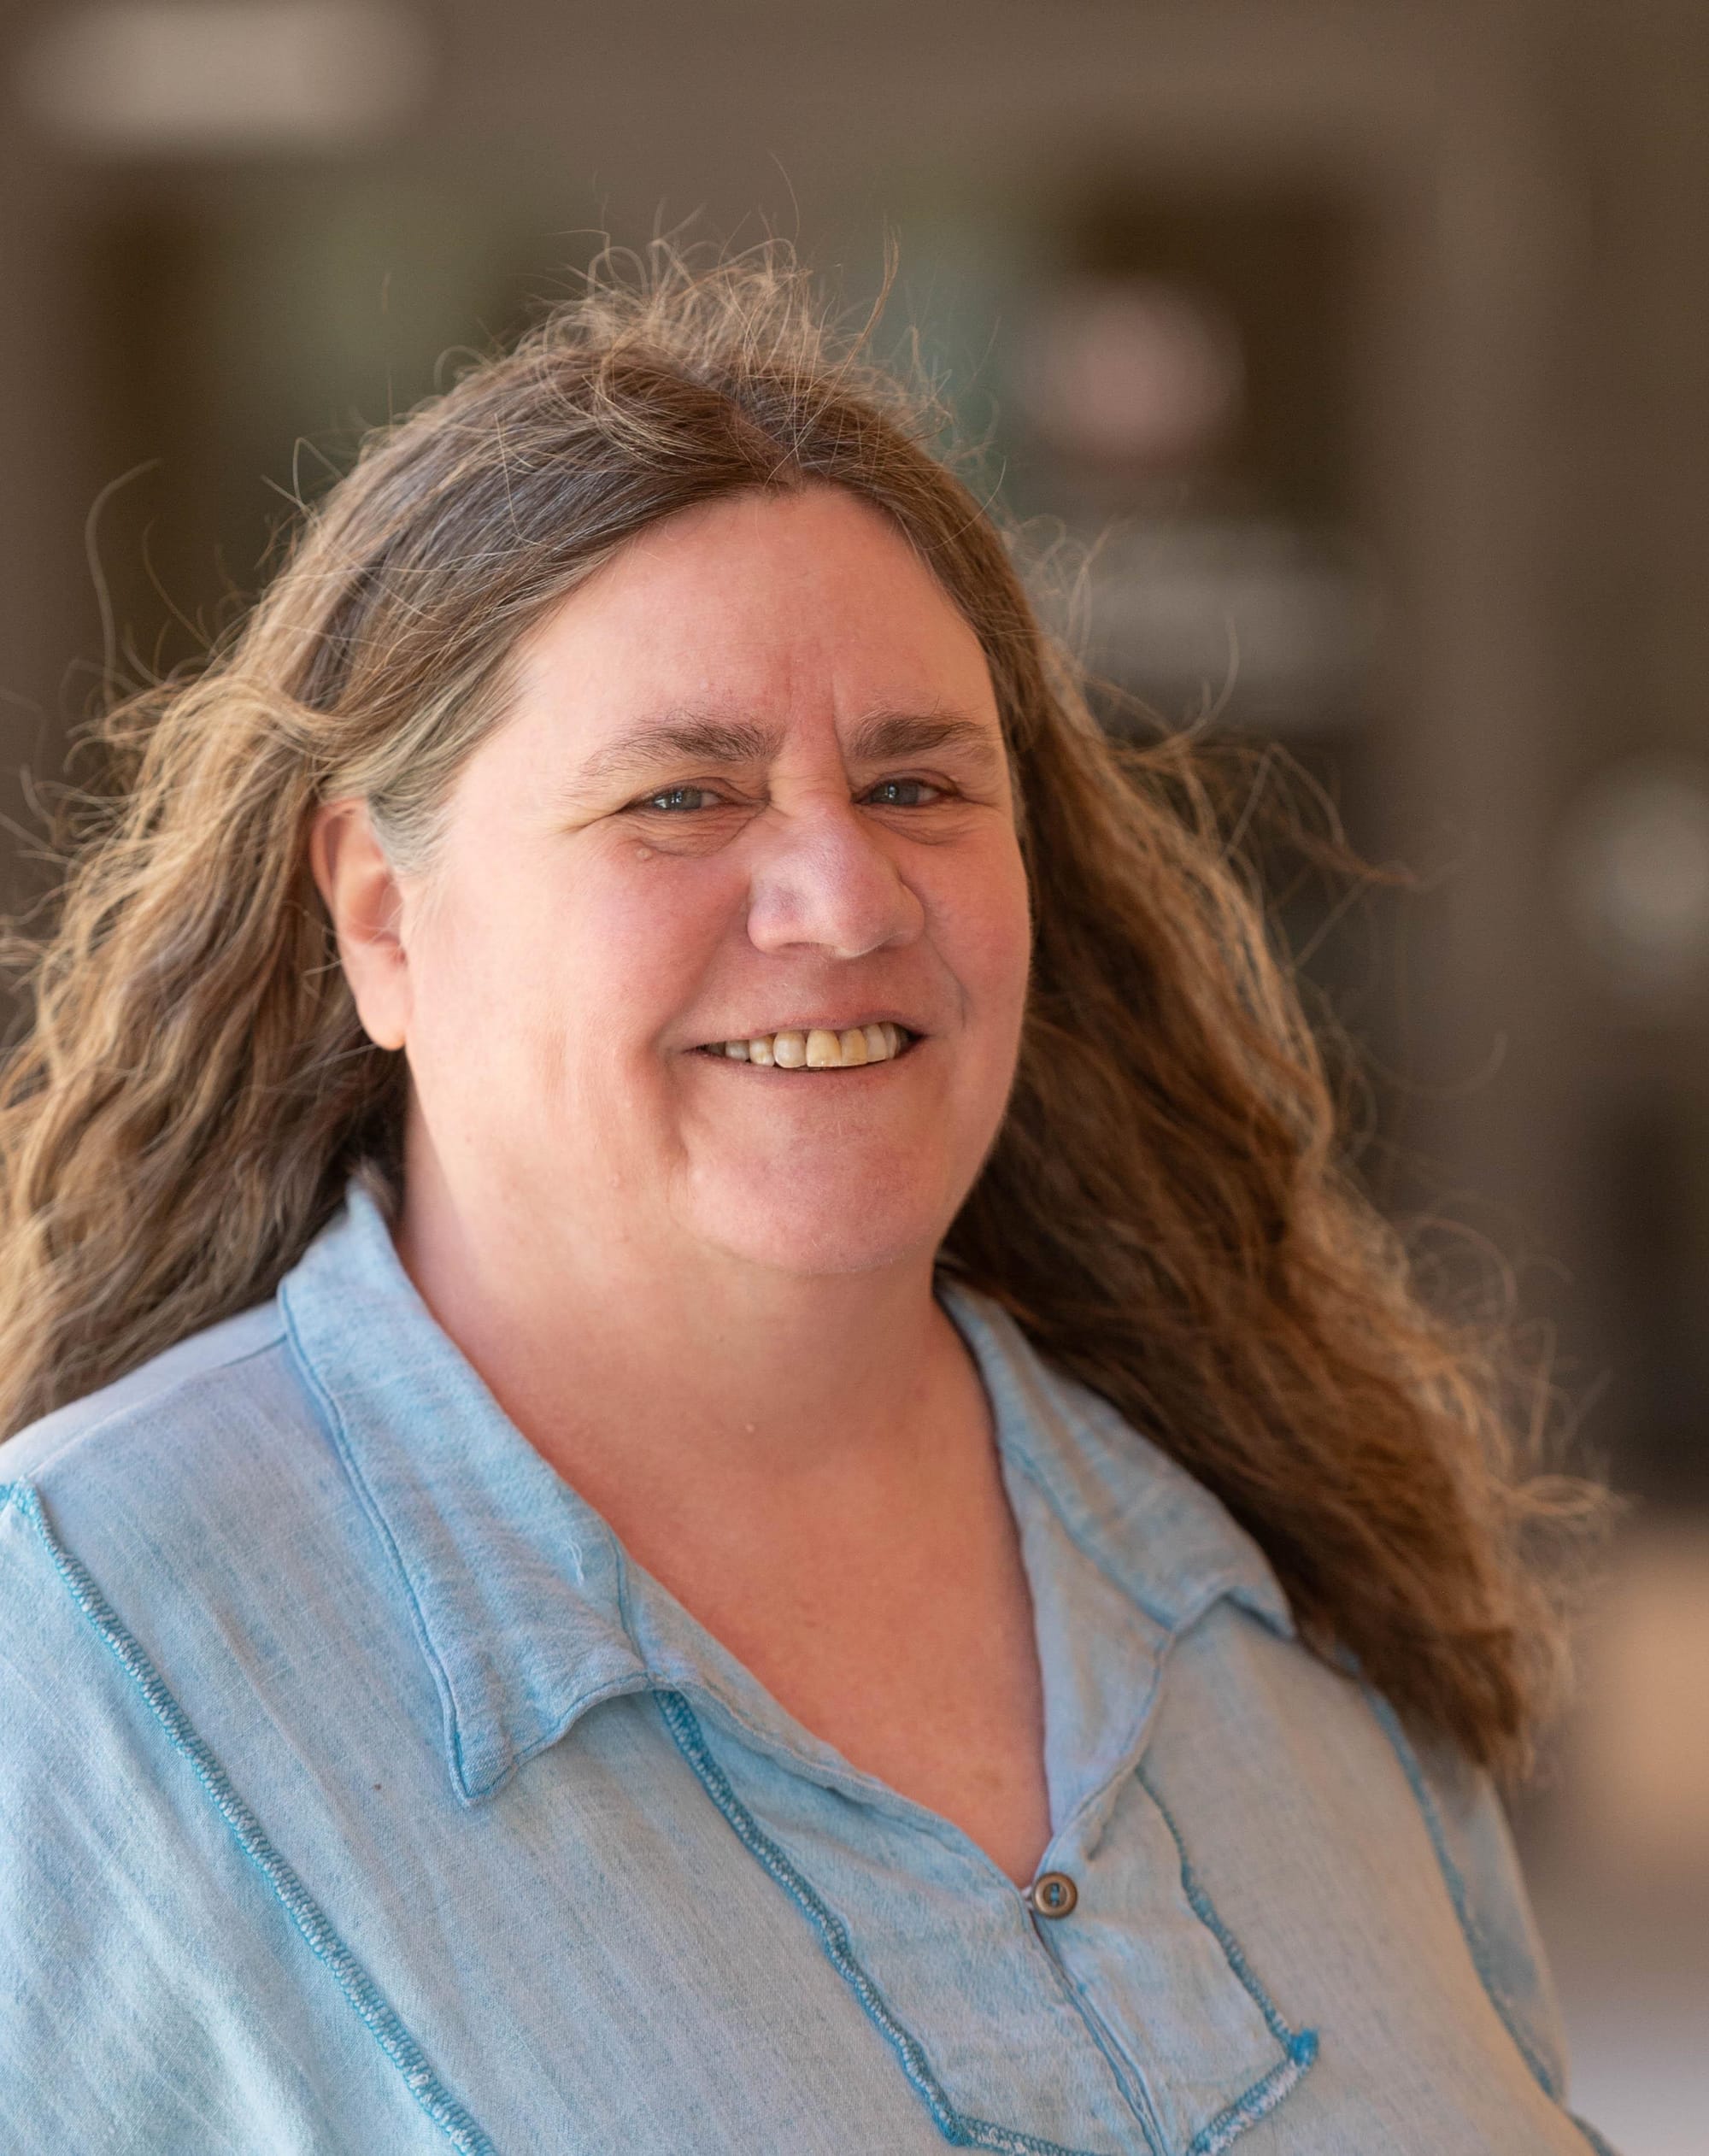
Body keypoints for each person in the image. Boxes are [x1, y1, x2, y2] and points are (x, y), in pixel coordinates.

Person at [0, 243, 1612, 2155]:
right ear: (381, 914)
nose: (844, 902)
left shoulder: (1279, 1551)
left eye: (920, 784)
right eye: (682, 795)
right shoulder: (81, 1658)